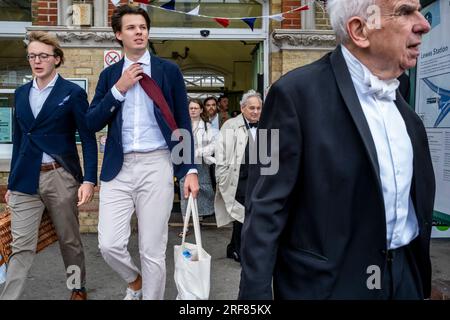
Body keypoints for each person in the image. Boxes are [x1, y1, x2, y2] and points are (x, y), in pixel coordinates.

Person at [239, 0, 435, 300]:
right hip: (327, 287)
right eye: (405, 12)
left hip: (403, 279)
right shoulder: (288, 95)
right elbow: (263, 207)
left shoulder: (406, 110)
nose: (423, 24)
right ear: (359, 30)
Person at [86, 5, 199, 300]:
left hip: (157, 163)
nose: (139, 32)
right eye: (132, 27)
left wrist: (189, 169)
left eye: (143, 27)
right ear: (118, 34)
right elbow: (92, 121)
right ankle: (134, 281)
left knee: (152, 250)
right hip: (118, 167)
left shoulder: (168, 71)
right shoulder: (110, 74)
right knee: (109, 244)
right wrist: (118, 89)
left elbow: (182, 122)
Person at [0, 31, 97, 300]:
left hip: (59, 177)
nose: (37, 61)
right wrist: (12, 182)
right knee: (21, 247)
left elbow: (88, 139)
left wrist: (89, 179)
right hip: (25, 180)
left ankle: (77, 288)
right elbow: (19, 140)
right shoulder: (20, 93)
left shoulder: (72, 93)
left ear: (56, 59)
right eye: (32, 56)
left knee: (69, 241)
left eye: (43, 56)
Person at [214, 90, 262, 263]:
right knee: (242, 216)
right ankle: (240, 251)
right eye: (252, 108)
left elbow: (271, 158)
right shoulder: (230, 126)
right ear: (242, 109)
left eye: (258, 108)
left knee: (251, 215)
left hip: (258, 180)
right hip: (238, 179)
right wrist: (222, 180)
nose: (256, 111)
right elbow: (221, 156)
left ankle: (234, 248)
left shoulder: (266, 124)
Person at [178, 99, 218, 237]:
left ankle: (198, 218)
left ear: (201, 110)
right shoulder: (182, 126)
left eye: (196, 108)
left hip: (202, 163)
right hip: (186, 163)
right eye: (191, 108)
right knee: (185, 193)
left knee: (201, 190)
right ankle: (186, 226)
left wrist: (199, 152)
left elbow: (214, 145)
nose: (193, 110)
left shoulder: (208, 126)